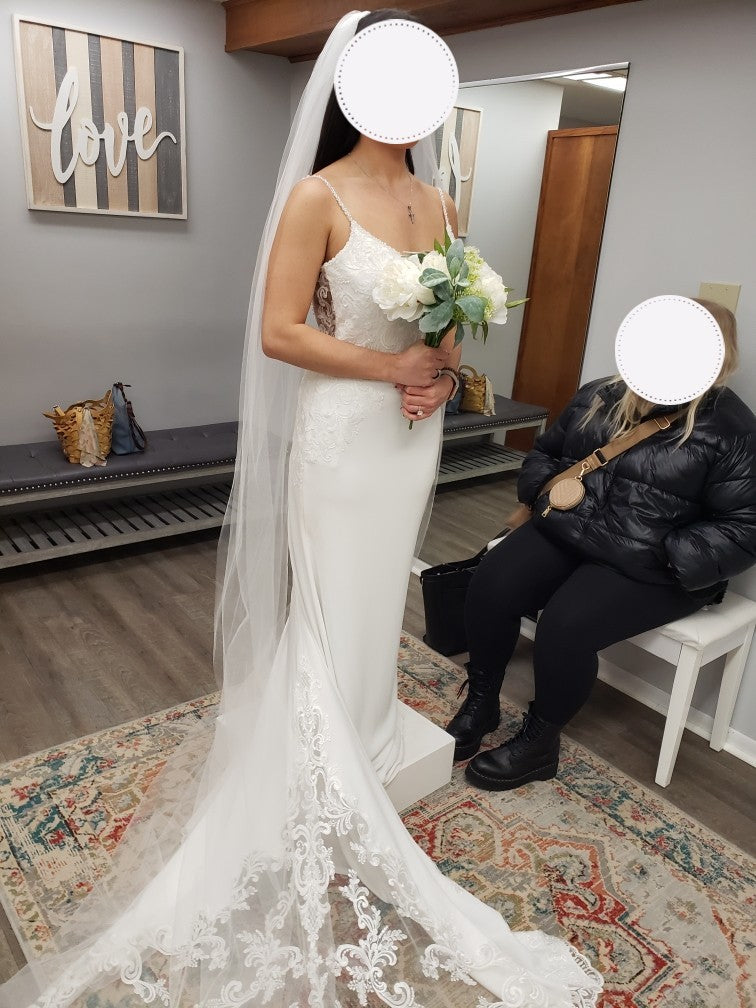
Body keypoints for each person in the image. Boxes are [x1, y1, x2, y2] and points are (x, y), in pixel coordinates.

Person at [0, 11, 603, 1007]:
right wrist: (390, 369)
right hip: (342, 432)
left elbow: (451, 319)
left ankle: (364, 720)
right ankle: (325, 745)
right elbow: (280, 331)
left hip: (407, 434)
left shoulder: (440, 199)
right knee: (331, 588)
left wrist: (438, 376)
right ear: (357, 88)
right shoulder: (316, 196)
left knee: (379, 587)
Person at [446, 298, 756, 791]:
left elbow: (744, 525)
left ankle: (539, 744)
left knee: (565, 627)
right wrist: (544, 496)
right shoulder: (601, 395)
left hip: (651, 564)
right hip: (573, 532)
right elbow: (547, 452)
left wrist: (668, 553)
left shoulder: (732, 429)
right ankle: (481, 703)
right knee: (491, 583)